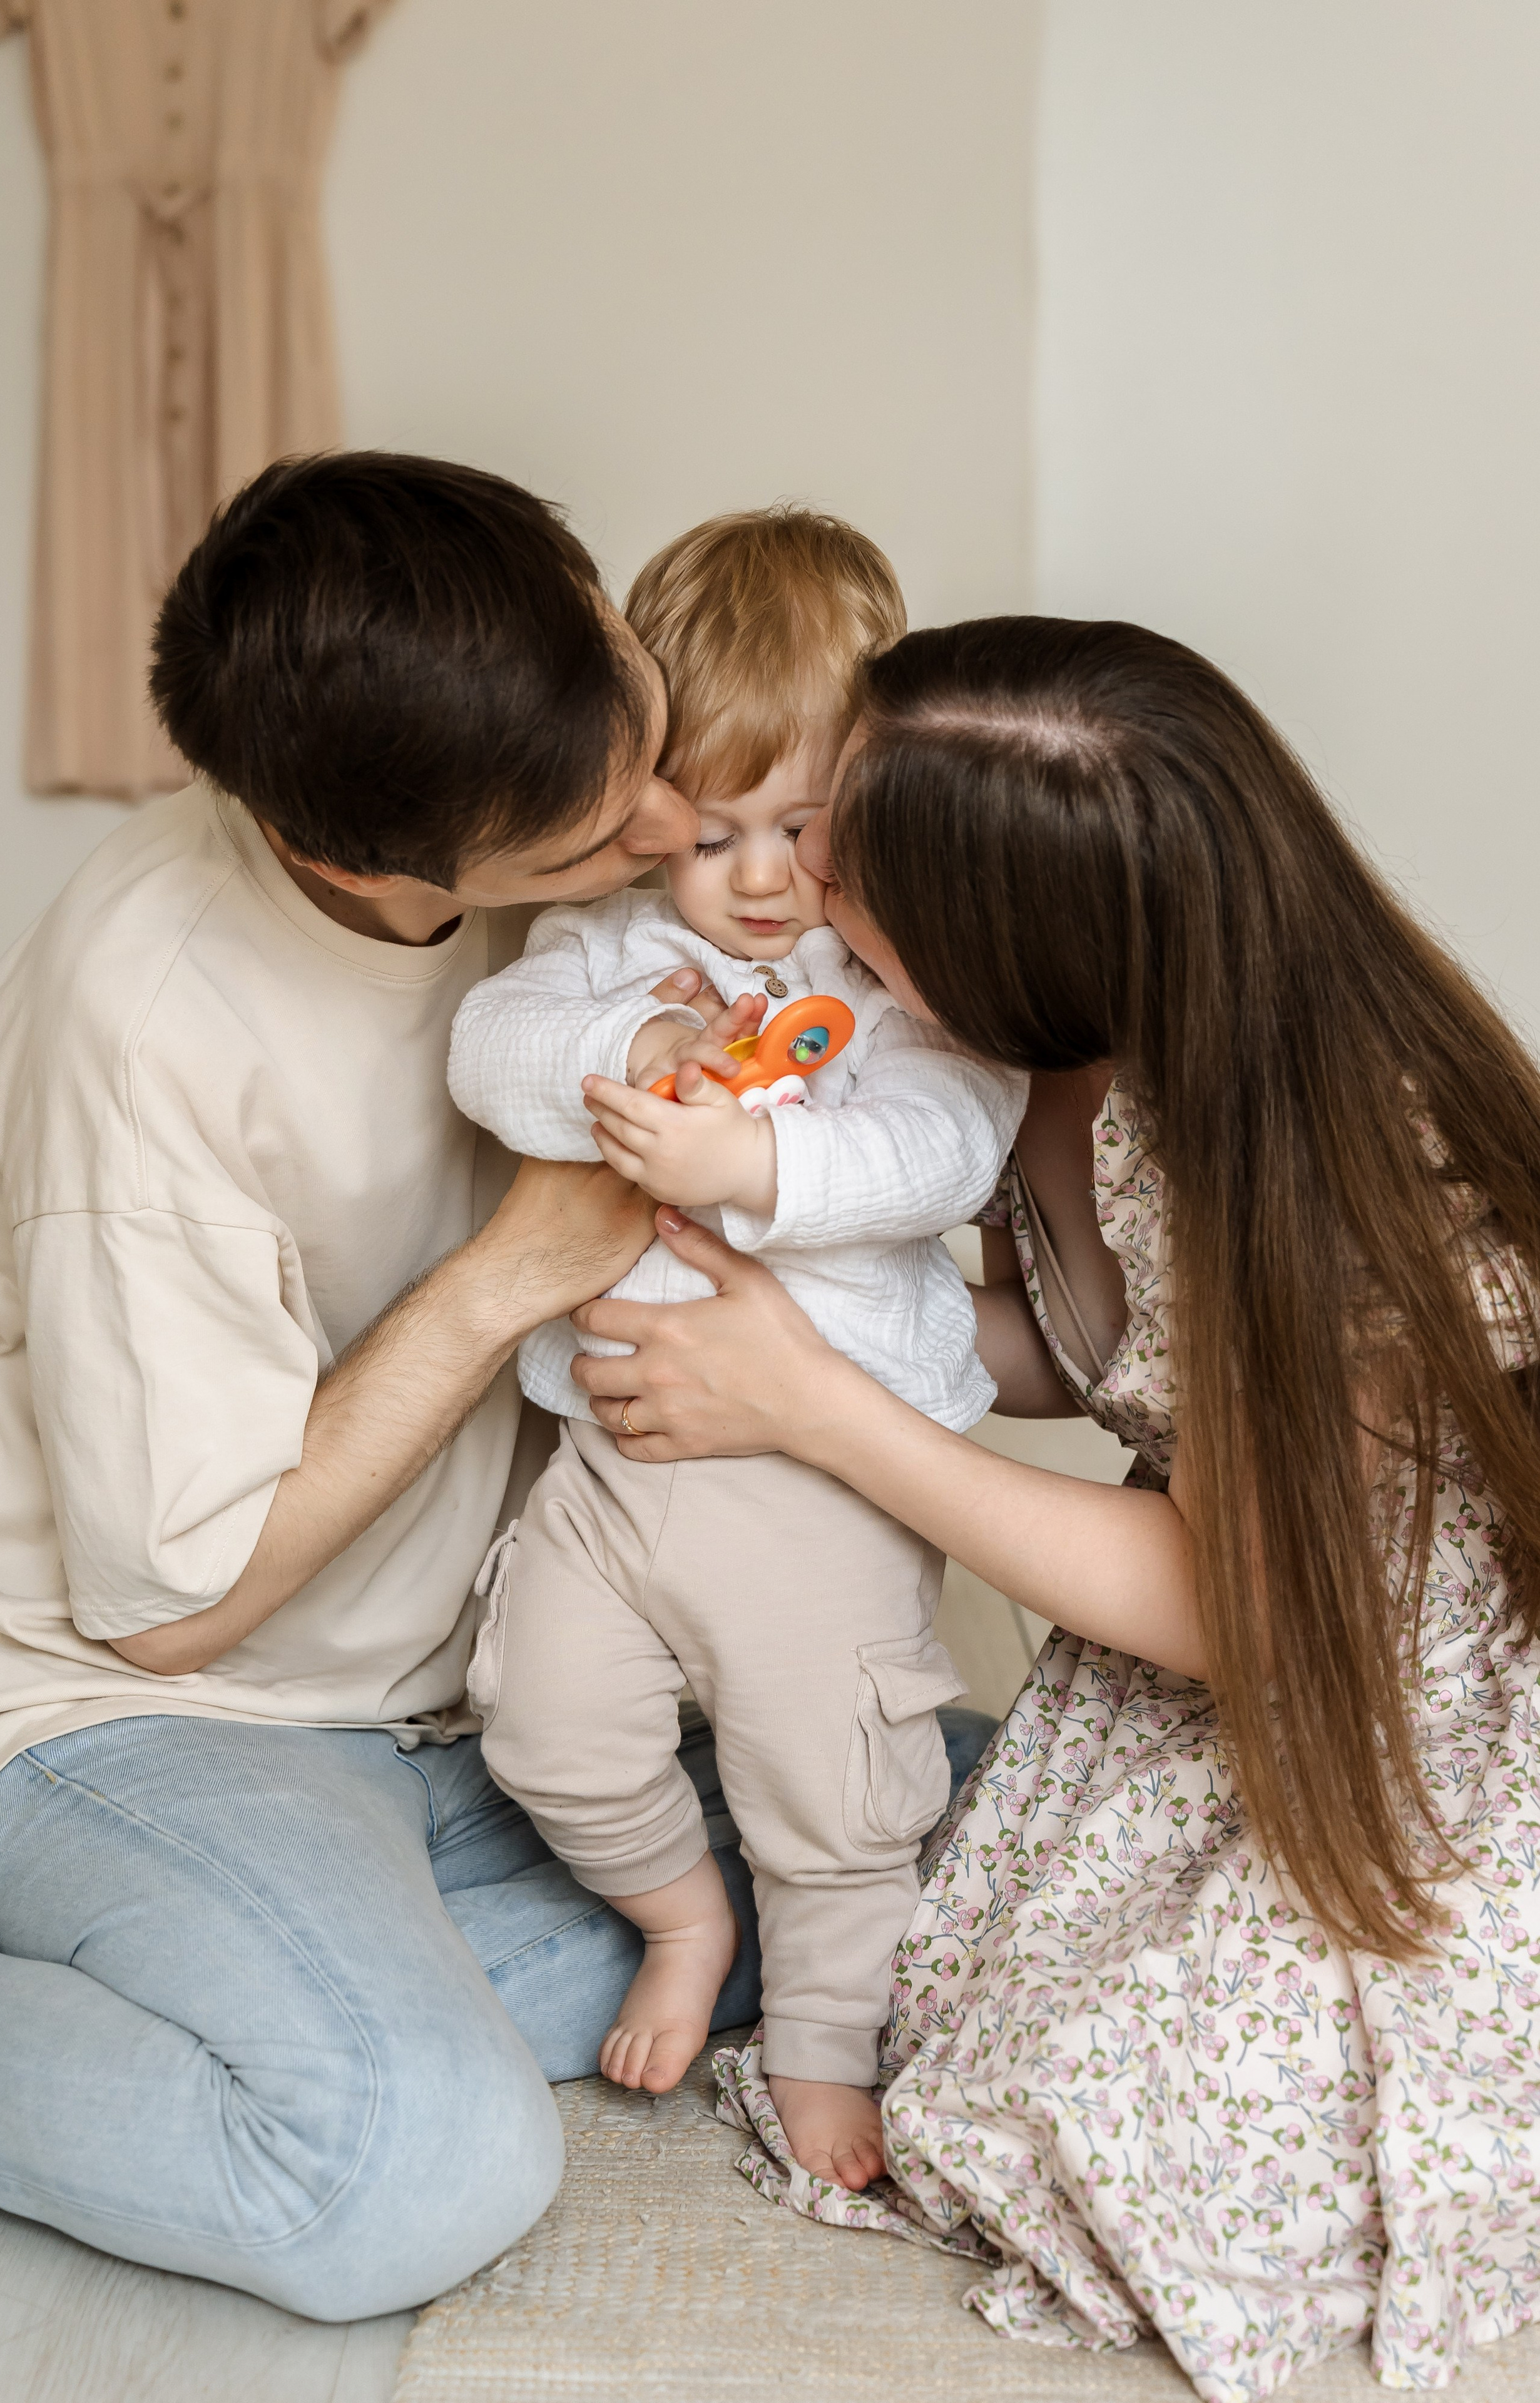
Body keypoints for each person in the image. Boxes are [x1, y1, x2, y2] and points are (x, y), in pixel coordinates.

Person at [0, 451, 993, 2320]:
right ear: (377, 862)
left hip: (470, 1683)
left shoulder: (578, 820)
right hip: (153, 1709)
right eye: (608, 837)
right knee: (404, 2167)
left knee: (981, 1815)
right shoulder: (149, 1030)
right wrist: (525, 1258)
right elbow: (170, 1612)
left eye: (655, 742)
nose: (680, 829)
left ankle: (318, 1960)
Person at [562, 615, 1540, 2399]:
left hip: (1370, 1690)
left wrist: (821, 1405)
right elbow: (1085, 1352)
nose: (808, 878)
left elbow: (1233, 1605)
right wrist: (805, 1305)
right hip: (1220, 1621)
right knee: (895, 1944)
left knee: (1143, 2135)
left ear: (1007, 939)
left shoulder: (1317, 1158)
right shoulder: (1021, 1058)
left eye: (854, 869)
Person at [446, 509, 1026, 2188]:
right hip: (618, 1462)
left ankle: (833, 2051)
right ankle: (683, 1919)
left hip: (815, 1481)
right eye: (710, 836)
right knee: (540, 1720)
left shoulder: (914, 977)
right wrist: (633, 1041)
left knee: (833, 1795)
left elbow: (947, 1149)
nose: (759, 880)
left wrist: (754, 1169)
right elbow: (494, 1052)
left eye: (803, 827)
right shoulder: (628, 956)